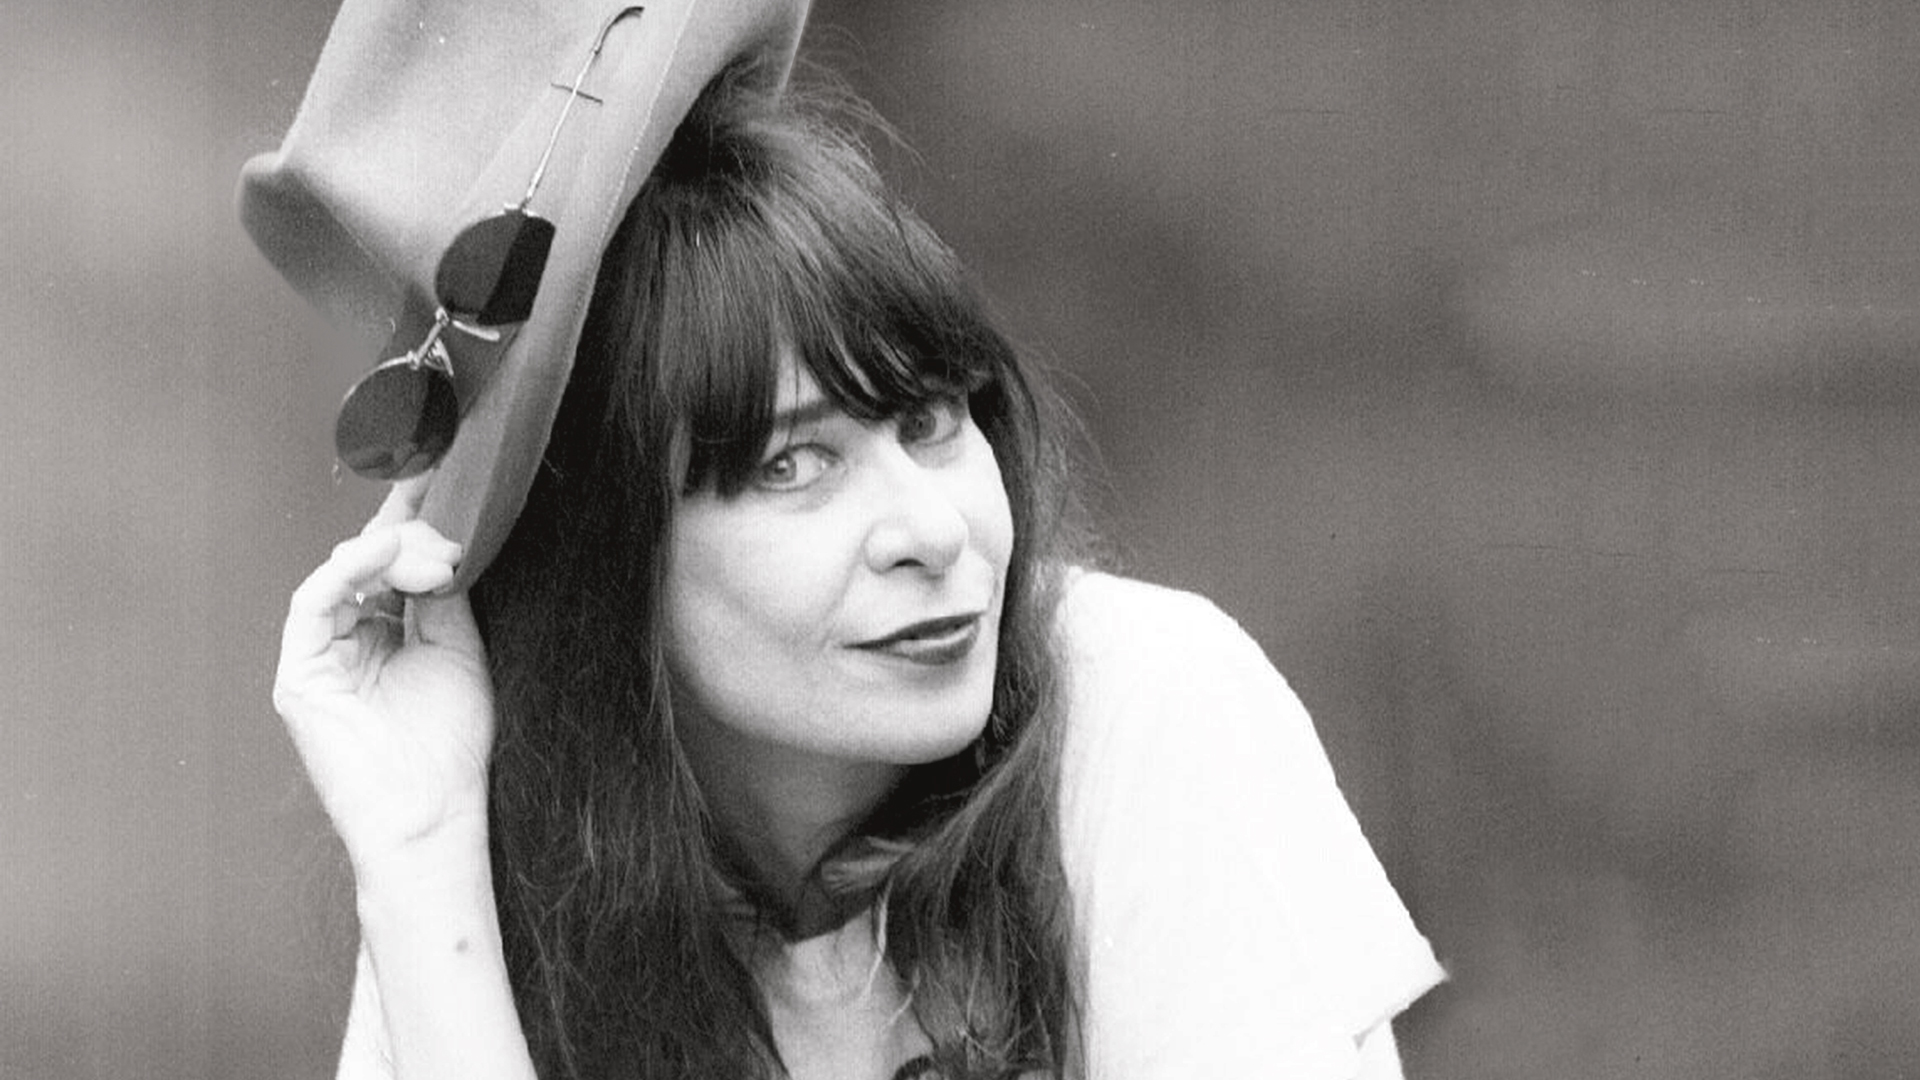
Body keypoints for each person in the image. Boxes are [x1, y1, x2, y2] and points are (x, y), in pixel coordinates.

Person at [252, 3, 1443, 1079]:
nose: (933, 530)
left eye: (932, 423)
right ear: (607, 557)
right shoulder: (493, 851)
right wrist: (419, 852)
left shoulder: (1142, 702)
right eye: (793, 465)